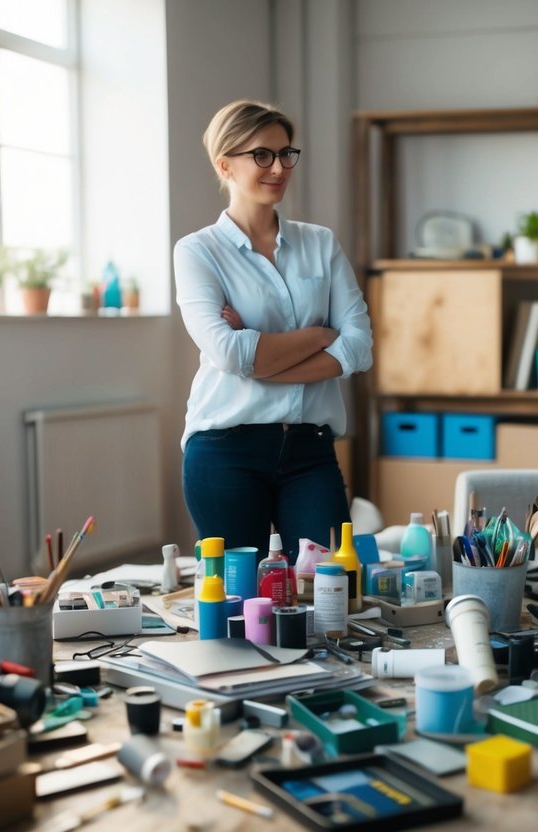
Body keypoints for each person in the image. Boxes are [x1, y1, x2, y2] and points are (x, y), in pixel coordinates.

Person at [174, 99, 372, 557]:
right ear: (225, 164)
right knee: (238, 601)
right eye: (262, 154)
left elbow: (359, 348)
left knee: (330, 588)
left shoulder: (320, 243)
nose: (279, 167)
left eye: (286, 153)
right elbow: (229, 354)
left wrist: (262, 357)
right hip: (225, 447)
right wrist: (322, 335)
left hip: (310, 449)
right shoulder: (197, 252)